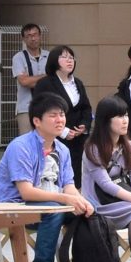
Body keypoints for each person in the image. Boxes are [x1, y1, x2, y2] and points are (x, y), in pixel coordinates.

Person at [0, 99, 92, 262]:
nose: (60, 120)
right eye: (53, 115)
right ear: (37, 121)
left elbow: (69, 186)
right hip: (15, 207)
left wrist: (81, 201)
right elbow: (26, 191)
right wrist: (65, 198)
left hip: (50, 205)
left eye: (62, 114)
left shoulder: (62, 149)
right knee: (54, 211)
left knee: (86, 212)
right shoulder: (21, 146)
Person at [82, 98, 131, 262]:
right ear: (106, 120)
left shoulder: (130, 146)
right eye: (119, 116)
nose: (125, 120)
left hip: (122, 202)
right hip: (96, 205)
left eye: (127, 115)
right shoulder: (93, 148)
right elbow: (106, 185)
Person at [41, 46, 91, 179]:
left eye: (72, 58)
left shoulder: (78, 83)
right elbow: (41, 111)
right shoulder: (45, 83)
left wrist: (84, 125)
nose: (70, 61)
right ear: (54, 60)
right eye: (64, 57)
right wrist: (63, 131)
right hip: (55, 137)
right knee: (56, 173)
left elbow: (86, 107)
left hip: (78, 139)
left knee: (76, 174)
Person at [10, 22, 50, 119]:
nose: (33, 38)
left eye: (35, 35)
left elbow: (55, 80)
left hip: (48, 106)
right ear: (23, 39)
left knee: (46, 134)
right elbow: (24, 81)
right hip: (25, 108)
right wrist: (46, 76)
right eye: (29, 36)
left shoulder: (49, 56)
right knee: (27, 134)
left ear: (40, 36)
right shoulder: (18, 57)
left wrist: (30, 79)